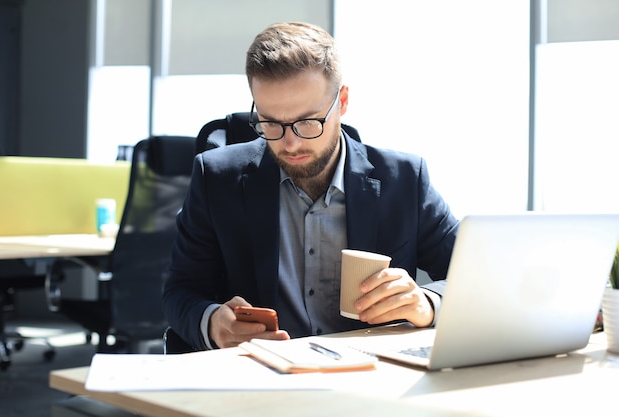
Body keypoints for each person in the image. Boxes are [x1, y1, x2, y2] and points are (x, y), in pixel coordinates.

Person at [162, 22, 459, 350]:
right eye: (270, 123)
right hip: (261, 379)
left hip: (371, 378)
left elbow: (476, 280)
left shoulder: (404, 180)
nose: (290, 144)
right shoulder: (216, 179)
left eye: (308, 122)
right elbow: (181, 292)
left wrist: (427, 301)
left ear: (342, 102)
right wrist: (212, 321)